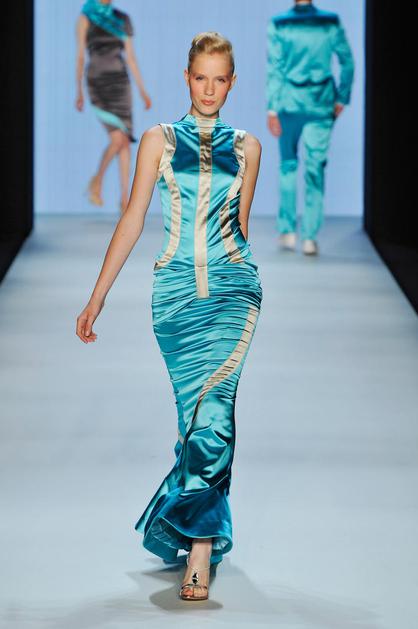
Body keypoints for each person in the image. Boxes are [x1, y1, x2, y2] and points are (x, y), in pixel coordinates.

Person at [76, 32, 263, 601]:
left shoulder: (249, 147)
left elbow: (241, 228)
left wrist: (242, 283)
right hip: (176, 295)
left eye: (220, 79)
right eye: (200, 77)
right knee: (194, 422)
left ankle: (201, 551)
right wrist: (98, 295)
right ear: (187, 78)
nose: (209, 89)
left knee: (216, 416)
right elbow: (134, 217)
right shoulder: (158, 139)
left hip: (233, 291)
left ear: (232, 83)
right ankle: (187, 508)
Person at [266, 0, 354, 255]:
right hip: (321, 103)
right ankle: (310, 237)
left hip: (288, 103)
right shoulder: (330, 22)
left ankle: (287, 232)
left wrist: (272, 108)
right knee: (315, 169)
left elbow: (275, 68)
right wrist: (342, 97)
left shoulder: (280, 23)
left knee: (288, 166)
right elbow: (347, 62)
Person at [75, 0, 152, 214]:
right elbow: (81, 56)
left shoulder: (122, 19)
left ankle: (125, 200)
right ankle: (98, 180)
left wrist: (142, 91)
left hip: (121, 84)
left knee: (125, 141)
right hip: (98, 83)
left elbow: (131, 58)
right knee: (118, 139)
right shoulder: (86, 17)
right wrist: (79, 90)